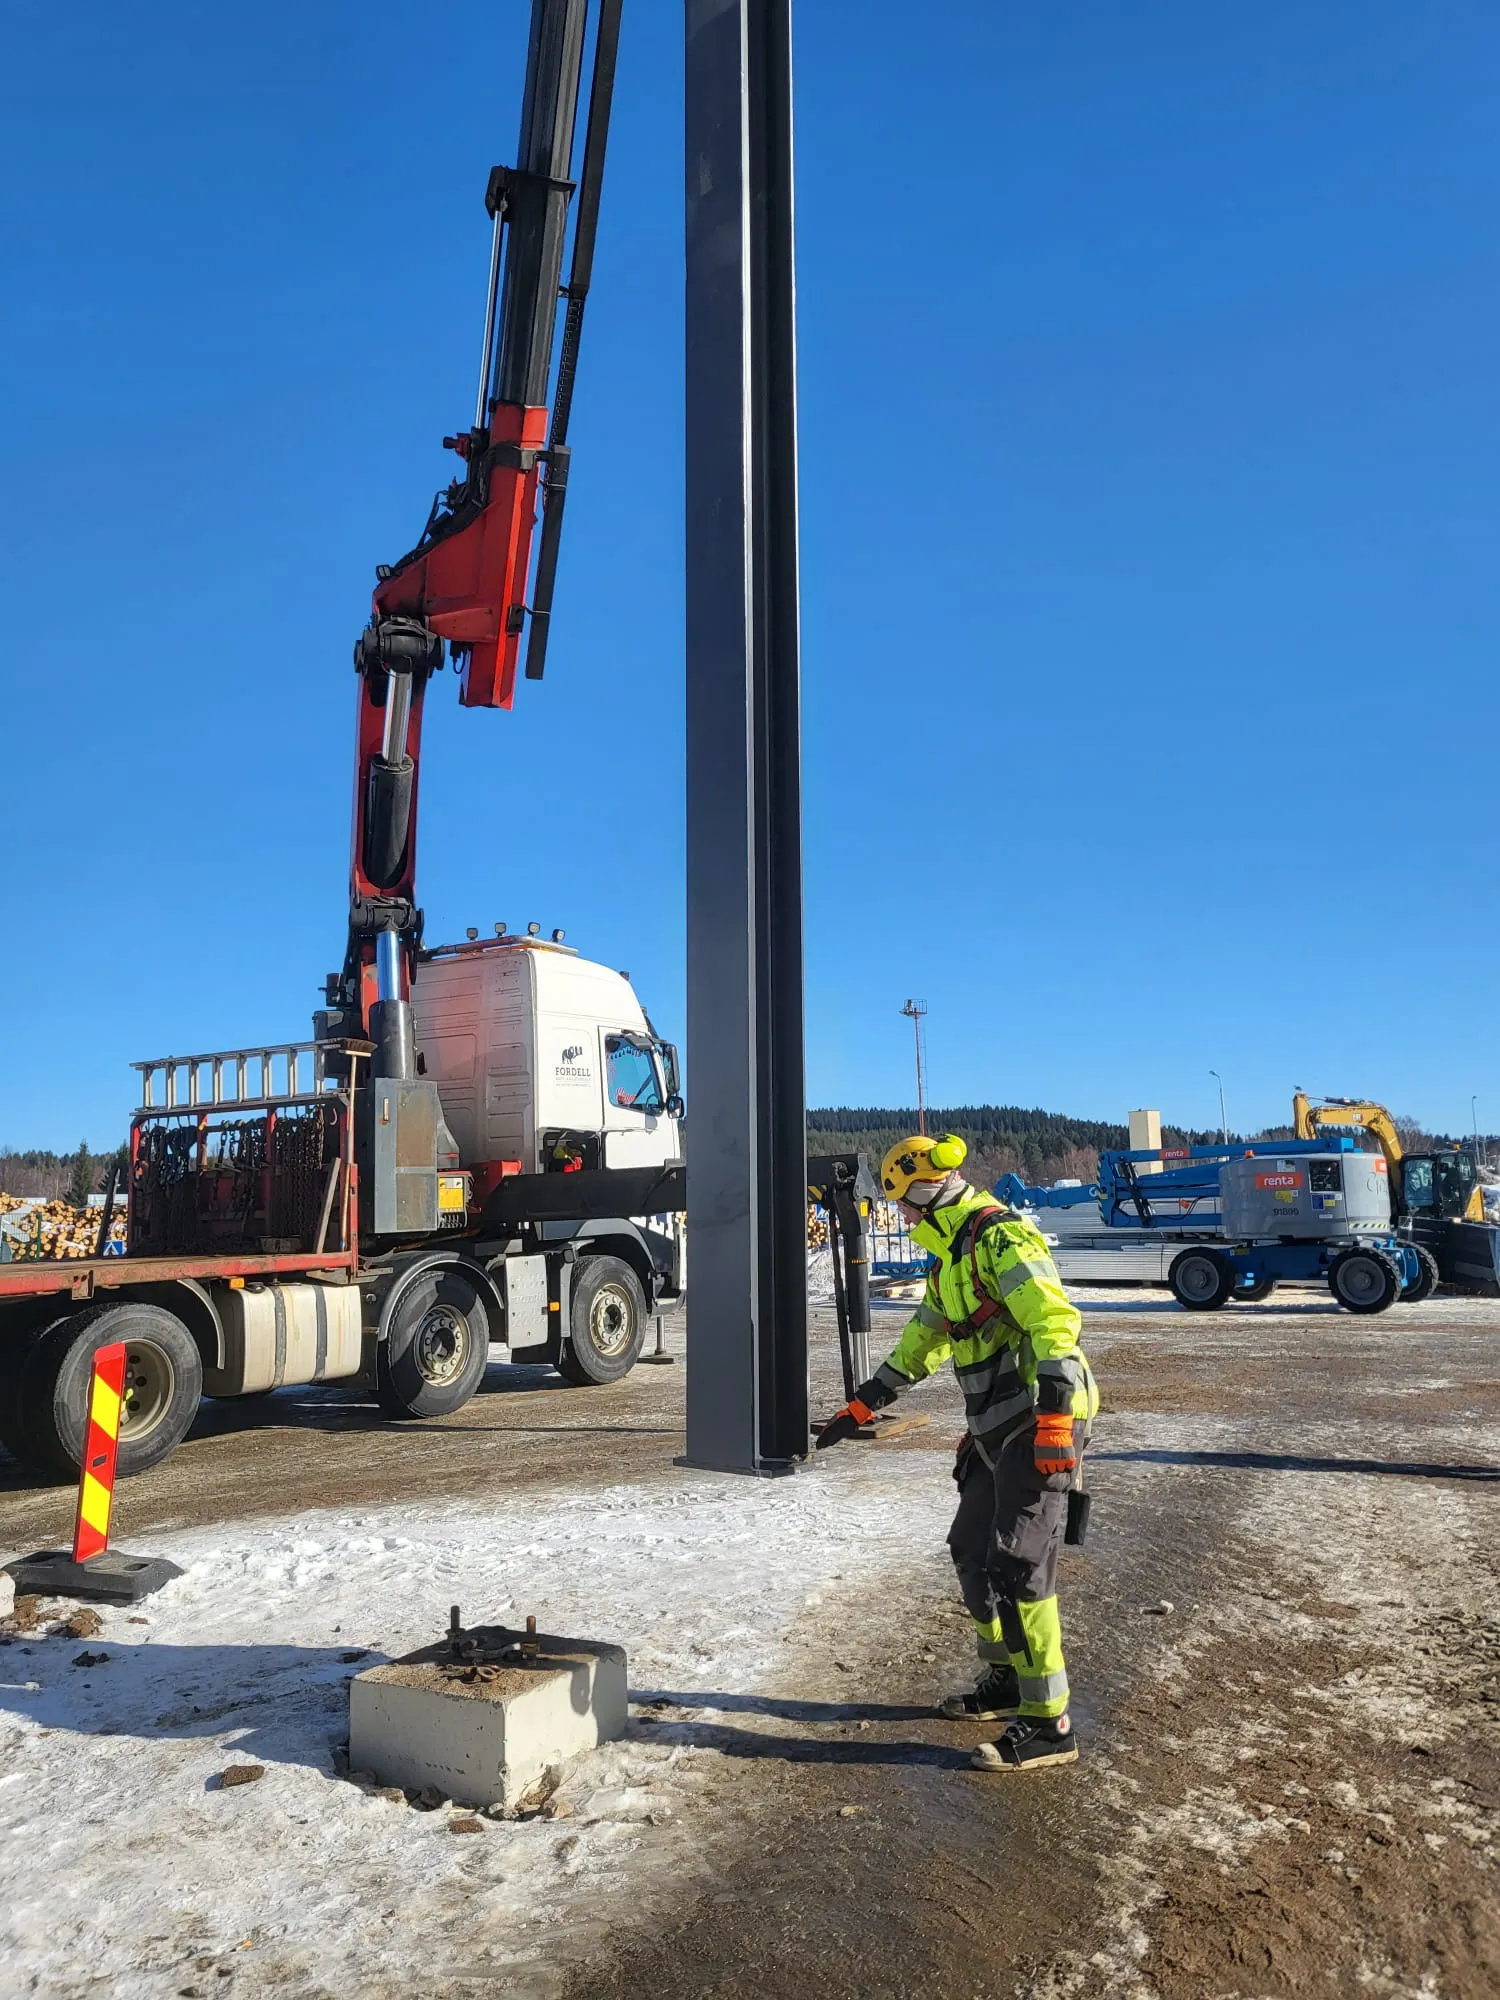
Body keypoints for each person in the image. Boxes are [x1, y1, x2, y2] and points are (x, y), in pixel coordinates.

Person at [817, 1133, 1099, 1771]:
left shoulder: (1000, 1238)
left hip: (1039, 1417)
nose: (904, 1218)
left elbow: (1054, 1319)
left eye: (905, 1206)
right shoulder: (950, 1261)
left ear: (925, 1191)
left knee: (1020, 1562)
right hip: (995, 1426)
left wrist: (1055, 1415)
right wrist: (866, 1400)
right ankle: (1004, 1681)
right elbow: (927, 1338)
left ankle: (1049, 1723)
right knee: (971, 1549)